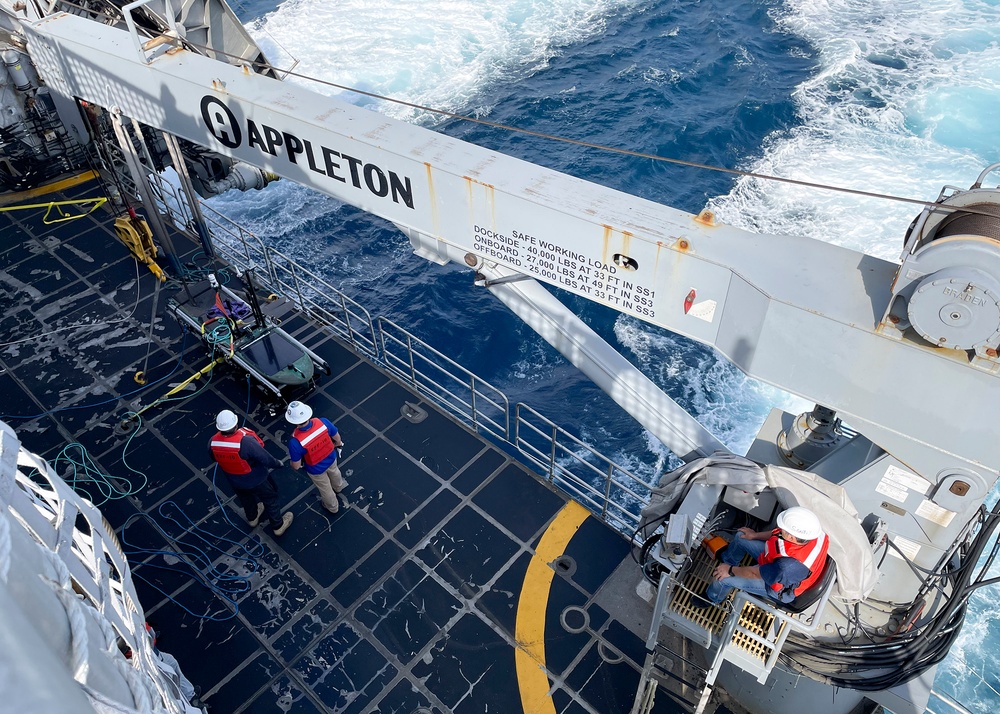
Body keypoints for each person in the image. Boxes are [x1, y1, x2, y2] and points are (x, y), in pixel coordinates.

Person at [693, 506, 828, 608]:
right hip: (772, 561)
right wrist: (754, 535)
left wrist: (729, 570)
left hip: (777, 586)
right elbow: (777, 534)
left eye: (783, 529)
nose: (780, 529)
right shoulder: (814, 532)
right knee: (741, 537)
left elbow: (755, 574)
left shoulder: (787, 566)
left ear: (791, 536)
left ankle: (712, 598)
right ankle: (728, 559)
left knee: (722, 579)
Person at [209, 409, 293, 536]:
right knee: (270, 498)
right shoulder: (246, 442)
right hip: (257, 479)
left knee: (245, 499)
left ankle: (252, 518)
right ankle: (278, 526)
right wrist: (278, 464)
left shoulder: (212, 442)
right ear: (236, 425)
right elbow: (266, 459)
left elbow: (214, 457)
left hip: (235, 481)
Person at [285, 400, 348, 514]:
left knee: (325, 488)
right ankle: (339, 486)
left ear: (294, 422)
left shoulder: (295, 442)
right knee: (335, 471)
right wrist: (338, 444)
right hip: (331, 458)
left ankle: (333, 508)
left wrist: (291, 464)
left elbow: (297, 465)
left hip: (316, 469)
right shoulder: (323, 422)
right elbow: (337, 437)